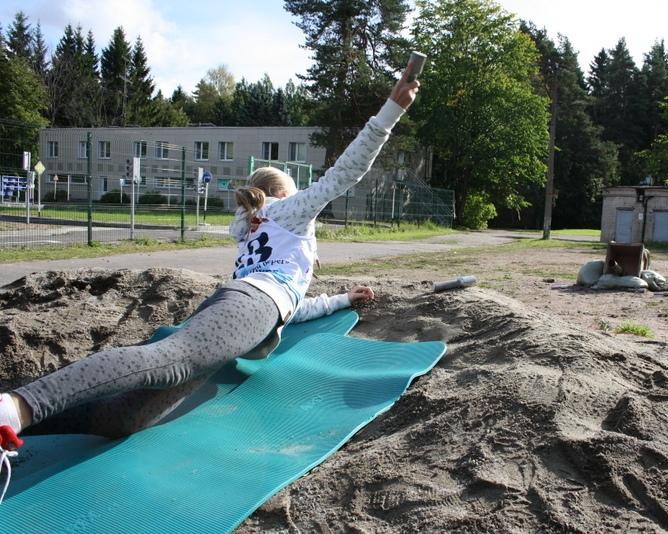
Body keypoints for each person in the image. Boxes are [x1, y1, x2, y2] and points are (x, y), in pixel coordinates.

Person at [0, 63, 419, 471]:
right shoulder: (289, 212)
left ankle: (19, 426)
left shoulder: (262, 235)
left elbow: (288, 306)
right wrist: (391, 111)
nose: (305, 202)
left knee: (126, 418)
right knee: (168, 358)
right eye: (296, 193)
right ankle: (18, 406)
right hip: (249, 303)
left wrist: (341, 299)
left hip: (246, 304)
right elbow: (345, 173)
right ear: (281, 196)